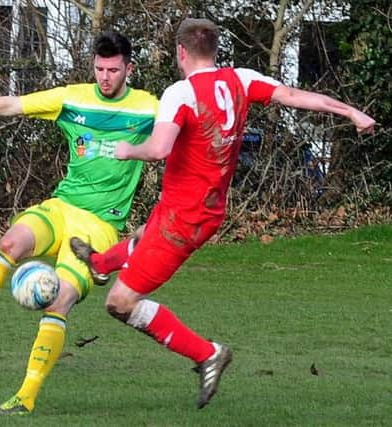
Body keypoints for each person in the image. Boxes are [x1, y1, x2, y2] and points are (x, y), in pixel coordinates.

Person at [71, 18, 376, 410]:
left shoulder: (180, 93)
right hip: (206, 209)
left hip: (182, 218)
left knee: (120, 303)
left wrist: (128, 150)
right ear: (215, 50)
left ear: (181, 52)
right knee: (144, 233)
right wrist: (351, 111)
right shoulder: (241, 79)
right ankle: (99, 263)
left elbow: (161, 148)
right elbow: (295, 95)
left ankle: (206, 353)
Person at [0, 32, 158, 415]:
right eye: (99, 68)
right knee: (10, 244)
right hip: (62, 206)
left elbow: (189, 131)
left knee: (59, 302)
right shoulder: (72, 97)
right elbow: (10, 104)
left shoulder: (149, 108)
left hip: (100, 226)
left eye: (113, 70)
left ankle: (25, 396)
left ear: (129, 69)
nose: (105, 77)